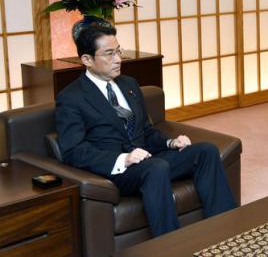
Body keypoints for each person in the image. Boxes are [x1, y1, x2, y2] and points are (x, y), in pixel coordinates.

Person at [55, 23, 237, 236]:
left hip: (149, 160)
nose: (118, 59)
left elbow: (146, 130)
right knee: (156, 167)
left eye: (118, 51)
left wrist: (170, 143)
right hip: (119, 170)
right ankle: (172, 245)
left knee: (206, 151)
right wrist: (124, 159)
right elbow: (73, 151)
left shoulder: (129, 84)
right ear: (87, 60)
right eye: (109, 54)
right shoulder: (71, 98)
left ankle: (227, 229)